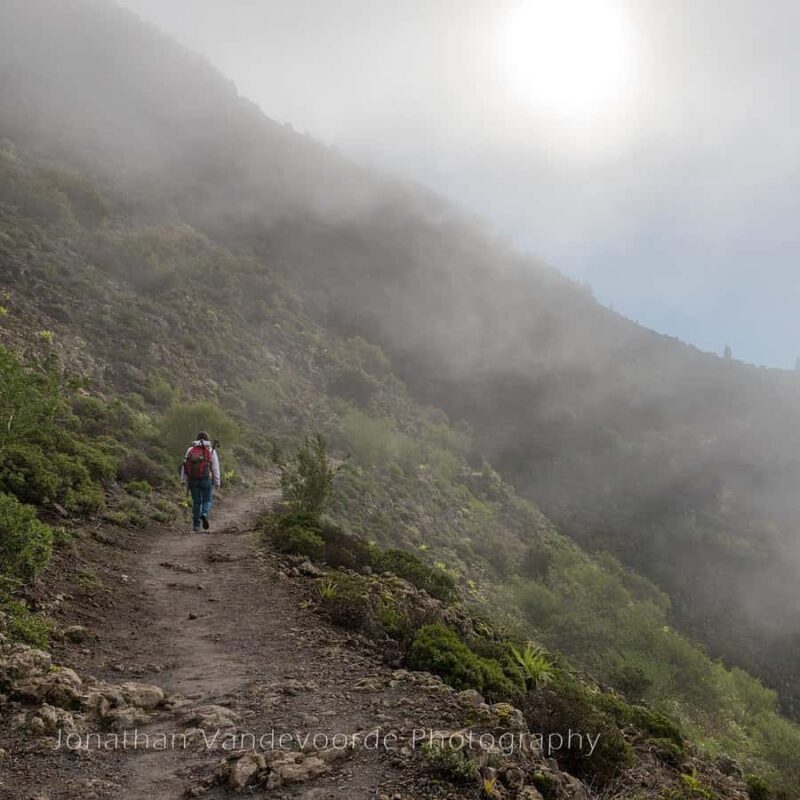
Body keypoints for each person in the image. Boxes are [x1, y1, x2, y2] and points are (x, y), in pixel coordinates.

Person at [180, 432, 221, 532]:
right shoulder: (210, 450)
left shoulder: (190, 449)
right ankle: (204, 514)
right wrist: (217, 482)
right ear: (208, 439)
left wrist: (183, 480)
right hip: (206, 479)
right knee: (207, 500)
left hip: (192, 479)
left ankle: (196, 526)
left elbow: (184, 465)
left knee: (196, 502)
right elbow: (215, 468)